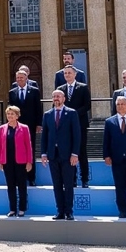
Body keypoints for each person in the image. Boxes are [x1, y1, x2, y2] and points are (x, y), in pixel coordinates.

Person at [42, 89, 81, 220]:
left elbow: (76, 135)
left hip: (68, 155)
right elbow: (44, 136)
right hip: (53, 155)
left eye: (58, 96)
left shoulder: (71, 113)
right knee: (57, 185)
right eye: (54, 97)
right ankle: (60, 211)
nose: (56, 98)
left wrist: (75, 153)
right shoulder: (47, 115)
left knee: (68, 185)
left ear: (64, 98)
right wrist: (43, 153)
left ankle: (69, 211)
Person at [7, 70, 43, 186]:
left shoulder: (34, 91)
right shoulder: (12, 92)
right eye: (17, 78)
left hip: (30, 125)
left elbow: (38, 108)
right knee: (16, 150)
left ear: (26, 78)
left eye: (21, 78)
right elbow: (10, 109)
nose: (19, 80)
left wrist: (39, 123)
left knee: (30, 150)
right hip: (16, 126)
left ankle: (31, 177)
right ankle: (19, 177)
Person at [59, 65, 92, 187]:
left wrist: (73, 114)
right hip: (66, 127)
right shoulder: (61, 89)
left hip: (80, 124)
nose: (67, 75)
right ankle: (71, 179)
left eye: (69, 73)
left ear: (75, 74)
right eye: (65, 73)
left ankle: (84, 179)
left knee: (81, 152)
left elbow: (87, 105)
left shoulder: (83, 88)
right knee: (68, 153)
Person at [0, 105, 33, 217]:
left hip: (21, 161)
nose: (10, 116)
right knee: (10, 186)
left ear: (17, 116)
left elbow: (28, 145)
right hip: (7, 161)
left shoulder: (24, 128)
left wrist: (29, 161)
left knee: (22, 186)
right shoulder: (2, 128)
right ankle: (12, 209)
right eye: (8, 114)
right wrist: (0, 161)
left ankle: (22, 208)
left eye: (12, 114)